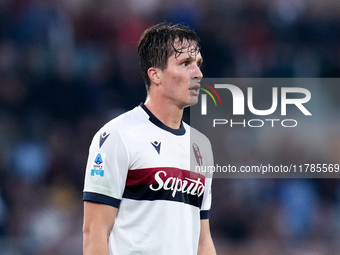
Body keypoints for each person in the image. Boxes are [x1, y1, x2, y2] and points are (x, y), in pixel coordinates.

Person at [83, 22, 216, 255]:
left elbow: (202, 240)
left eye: (198, 64)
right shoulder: (117, 135)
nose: (198, 73)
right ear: (155, 74)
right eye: (185, 63)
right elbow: (94, 232)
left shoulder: (201, 146)